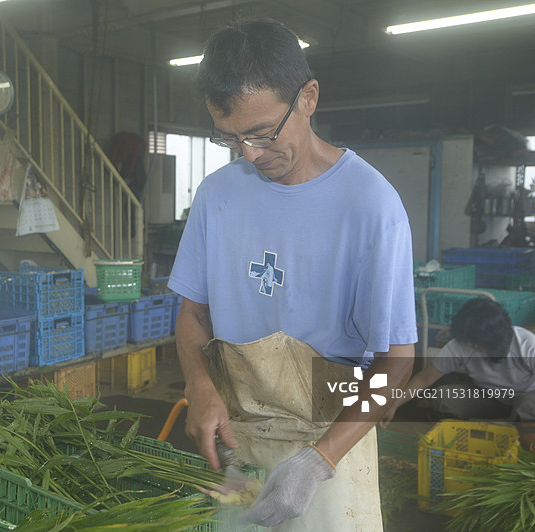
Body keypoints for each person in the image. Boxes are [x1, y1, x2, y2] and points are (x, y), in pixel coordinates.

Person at [167, 18, 418, 530]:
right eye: (231, 139)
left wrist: (319, 461)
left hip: (331, 445)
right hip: (238, 442)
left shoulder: (371, 206)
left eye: (261, 133)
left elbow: (396, 365)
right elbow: (193, 313)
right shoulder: (217, 196)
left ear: (308, 97)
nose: (250, 154)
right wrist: (199, 384)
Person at [381, 297, 535, 451]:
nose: (470, 345)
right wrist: (393, 404)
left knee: (526, 405)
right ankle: (455, 442)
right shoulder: (461, 345)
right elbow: (424, 378)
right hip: (490, 398)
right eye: (469, 340)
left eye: (476, 342)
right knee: (443, 398)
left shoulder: (525, 343)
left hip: (525, 398)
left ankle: (525, 446)